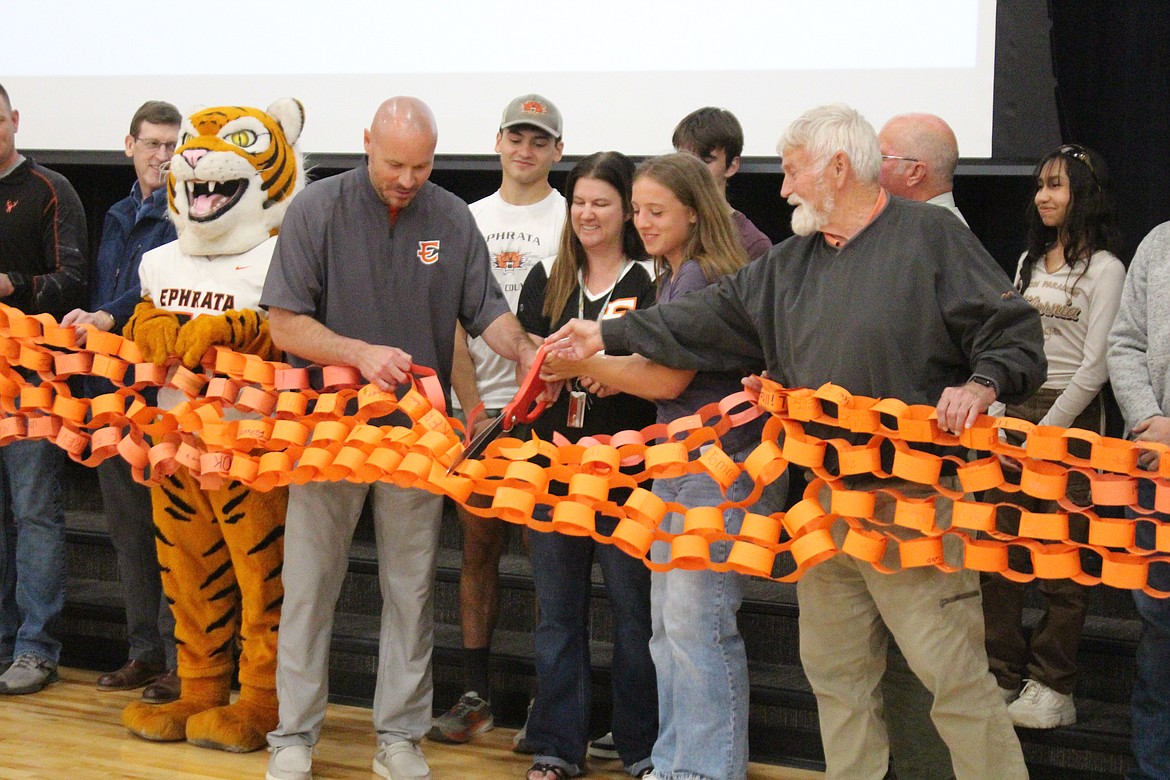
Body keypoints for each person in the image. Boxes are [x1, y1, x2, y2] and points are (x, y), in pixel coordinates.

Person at [547, 104, 1045, 780]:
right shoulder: (792, 265)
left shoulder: (930, 236)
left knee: (951, 680)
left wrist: (982, 384)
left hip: (916, 506)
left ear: (838, 168)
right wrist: (604, 335)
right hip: (825, 509)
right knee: (836, 679)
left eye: (791, 172)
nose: (782, 189)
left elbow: (1013, 332)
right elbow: (704, 316)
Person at [262, 96, 539, 780]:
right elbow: (283, 324)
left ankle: (400, 738)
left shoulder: (450, 217)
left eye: (421, 165)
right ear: (365, 145)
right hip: (327, 433)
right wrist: (357, 353)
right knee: (309, 588)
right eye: (394, 164)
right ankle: (293, 736)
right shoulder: (316, 209)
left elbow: (489, 319)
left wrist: (532, 352)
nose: (407, 179)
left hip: (417, 438)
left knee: (411, 591)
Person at [542, 151, 782, 780]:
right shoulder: (674, 275)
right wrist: (597, 367)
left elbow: (667, 375)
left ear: (696, 214)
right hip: (681, 462)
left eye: (656, 211)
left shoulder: (703, 277)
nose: (642, 223)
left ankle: (705, 769)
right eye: (639, 210)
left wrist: (582, 365)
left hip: (723, 466)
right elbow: (656, 378)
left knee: (697, 625)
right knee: (667, 627)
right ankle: (677, 762)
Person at [515, 151, 659, 780]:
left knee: (635, 616)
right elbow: (525, 360)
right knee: (557, 616)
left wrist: (606, 372)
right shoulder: (547, 276)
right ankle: (555, 746)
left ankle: (642, 747)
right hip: (553, 470)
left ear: (628, 209)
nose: (587, 214)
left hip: (630, 475)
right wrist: (544, 372)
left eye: (601, 202)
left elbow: (664, 375)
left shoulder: (652, 279)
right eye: (578, 203)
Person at [431, 94, 565, 746]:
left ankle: (548, 702)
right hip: (477, 410)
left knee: (550, 559)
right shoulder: (466, 219)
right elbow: (451, 318)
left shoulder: (576, 219)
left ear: (557, 151)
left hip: (548, 418)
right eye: (517, 136)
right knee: (478, 548)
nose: (526, 149)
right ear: (498, 141)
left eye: (539, 140)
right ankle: (475, 695)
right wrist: (472, 407)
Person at [983, 143, 1124, 729]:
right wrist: (997, 404)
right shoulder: (1027, 263)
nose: (1043, 195)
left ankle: (1052, 685)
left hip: (1070, 418)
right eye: (1040, 184)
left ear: (1084, 195)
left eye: (1057, 186)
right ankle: (998, 676)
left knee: (1062, 560)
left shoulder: (1108, 269)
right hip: (1016, 412)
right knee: (1002, 554)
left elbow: (1097, 365)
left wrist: (1047, 426)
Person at [61, 99, 182, 704]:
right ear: (128, 146)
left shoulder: (193, 214)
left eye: (171, 145)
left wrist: (109, 315)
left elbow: (156, 289)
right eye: (153, 144)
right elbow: (100, 290)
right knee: (128, 533)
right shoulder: (113, 214)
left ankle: (184, 661)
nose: (163, 156)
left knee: (173, 533)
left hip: (160, 400)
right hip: (108, 395)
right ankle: (144, 652)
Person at [875, 110, 968, 780]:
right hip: (890, 477)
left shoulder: (938, 235)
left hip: (923, 480)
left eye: (880, 155)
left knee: (932, 653)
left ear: (913, 171)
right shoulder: (909, 235)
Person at [0, 82, 88, 695]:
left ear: (15, 120)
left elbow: (74, 281)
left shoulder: (50, 190)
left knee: (34, 513)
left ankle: (36, 647)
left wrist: (12, 286)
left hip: (32, 382)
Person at [1106, 221, 1170, 780]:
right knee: (1159, 621)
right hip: (1157, 470)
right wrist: (1149, 419)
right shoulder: (1158, 243)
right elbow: (1126, 342)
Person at [672, 107, 772, 260]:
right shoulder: (666, 226)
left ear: (732, 166)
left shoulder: (752, 243)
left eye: (705, 161)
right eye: (684, 159)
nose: (691, 169)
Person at [877, 112, 966, 224]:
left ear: (915, 173)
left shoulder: (931, 234)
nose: (871, 164)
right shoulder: (941, 227)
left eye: (881, 157)